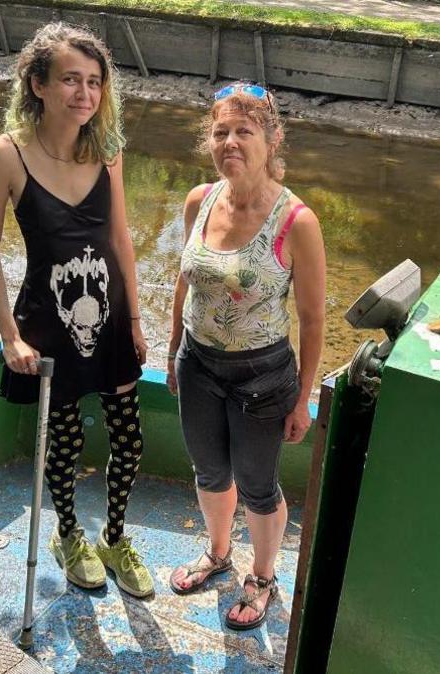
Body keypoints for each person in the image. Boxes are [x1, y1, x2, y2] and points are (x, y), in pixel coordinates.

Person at [0, 22, 153, 599]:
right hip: (46, 326)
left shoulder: (109, 152)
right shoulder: (5, 155)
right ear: (38, 83)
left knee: (130, 440)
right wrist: (9, 338)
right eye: (71, 80)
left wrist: (133, 319)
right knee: (66, 439)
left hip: (112, 319)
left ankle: (116, 537)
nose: (85, 94)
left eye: (95, 82)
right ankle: (69, 533)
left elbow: (122, 239)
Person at [166, 82, 326, 630]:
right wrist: (172, 355)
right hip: (198, 365)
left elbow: (311, 320)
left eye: (244, 130)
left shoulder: (296, 221)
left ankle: (261, 576)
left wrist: (303, 399)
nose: (230, 141)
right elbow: (183, 284)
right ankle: (217, 554)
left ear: (272, 139)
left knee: (258, 484)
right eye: (220, 131)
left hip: (263, 378)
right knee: (209, 470)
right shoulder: (199, 199)